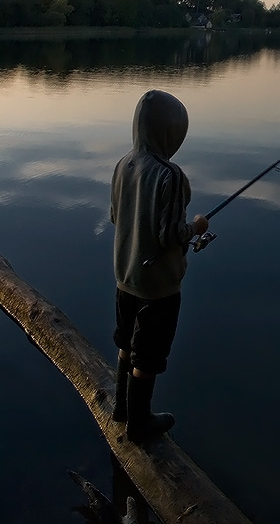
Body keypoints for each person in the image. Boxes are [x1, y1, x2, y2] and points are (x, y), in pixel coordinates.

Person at [110, 89, 208, 444]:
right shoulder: (171, 175)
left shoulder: (123, 164)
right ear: (170, 133)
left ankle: (120, 408)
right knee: (147, 357)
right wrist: (197, 227)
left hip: (125, 277)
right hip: (159, 288)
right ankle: (139, 424)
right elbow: (171, 236)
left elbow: (115, 217)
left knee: (125, 342)